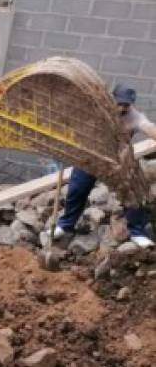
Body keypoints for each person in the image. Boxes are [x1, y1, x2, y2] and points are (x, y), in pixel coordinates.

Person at [53, 85, 156, 249]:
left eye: (126, 105)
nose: (122, 108)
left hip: (117, 161)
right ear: (111, 99)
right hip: (91, 157)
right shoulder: (96, 110)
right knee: (77, 189)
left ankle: (137, 233)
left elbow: (150, 128)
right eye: (119, 103)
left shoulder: (134, 117)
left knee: (133, 192)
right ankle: (65, 225)